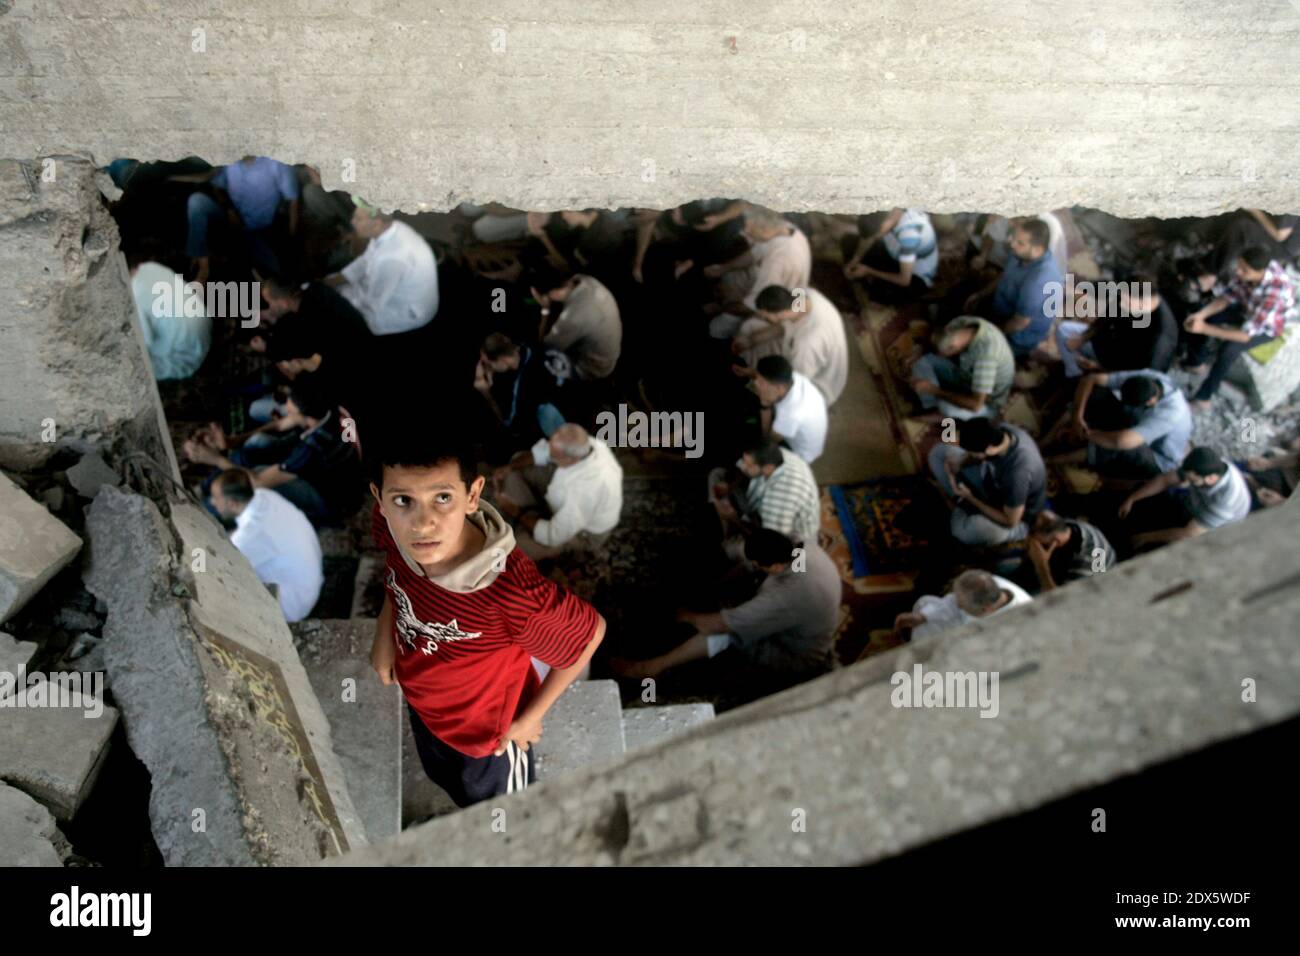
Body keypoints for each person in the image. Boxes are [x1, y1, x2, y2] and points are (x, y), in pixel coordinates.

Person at [367, 424, 606, 807]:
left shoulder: (509, 592)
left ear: (473, 495)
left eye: (442, 497)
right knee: (443, 776)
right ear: (380, 498)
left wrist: (531, 717)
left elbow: (589, 634)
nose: (422, 522)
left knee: (501, 813)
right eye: (403, 501)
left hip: (487, 737)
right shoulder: (394, 528)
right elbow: (397, 576)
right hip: (424, 704)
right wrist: (385, 631)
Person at [611, 529, 840, 680]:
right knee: (731, 590)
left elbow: (720, 625)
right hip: (799, 621)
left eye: (758, 565)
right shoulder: (800, 546)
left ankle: (651, 668)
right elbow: (746, 556)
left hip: (792, 653)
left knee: (728, 633)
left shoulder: (787, 597)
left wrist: (686, 615)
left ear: (774, 567)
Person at [184, 375, 362, 526]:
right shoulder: (325, 408)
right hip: (326, 469)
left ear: (306, 417)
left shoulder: (312, 449)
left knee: (246, 484)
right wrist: (232, 442)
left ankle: (199, 515)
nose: (287, 415)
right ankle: (201, 489)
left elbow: (258, 481)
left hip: (330, 501)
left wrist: (216, 459)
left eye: (291, 412)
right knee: (256, 445)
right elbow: (280, 424)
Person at [1183, 246, 1296, 409]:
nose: (1238, 272)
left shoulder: (1275, 294)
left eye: (1244, 270)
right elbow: (1227, 297)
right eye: (1239, 266)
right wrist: (1201, 316)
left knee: (1229, 350)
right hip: (1247, 308)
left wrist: (1204, 328)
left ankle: (1204, 397)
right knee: (1204, 316)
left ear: (1260, 271)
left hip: (1265, 327)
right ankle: (1195, 363)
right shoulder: (1247, 272)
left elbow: (1245, 335)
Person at [491, 423, 624, 560]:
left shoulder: (585, 492)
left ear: (570, 459)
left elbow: (552, 536)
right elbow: (540, 453)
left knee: (506, 552)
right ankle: (532, 516)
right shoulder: (589, 445)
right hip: (568, 497)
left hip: (582, 533)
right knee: (516, 467)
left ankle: (529, 520)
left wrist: (515, 512)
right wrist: (509, 467)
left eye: (553, 454)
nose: (548, 452)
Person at [209, 468, 323, 623]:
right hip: (308, 581)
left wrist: (199, 558)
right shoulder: (265, 496)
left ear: (232, 504)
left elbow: (217, 569)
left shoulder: (247, 540)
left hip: (294, 605)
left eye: (216, 498)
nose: (212, 502)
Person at [177, 155, 301, 281]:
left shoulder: (277, 163)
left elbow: (293, 201)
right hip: (230, 221)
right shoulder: (230, 159)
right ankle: (203, 267)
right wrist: (229, 208)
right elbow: (217, 186)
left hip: (259, 230)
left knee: (276, 272)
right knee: (197, 201)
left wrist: (292, 240)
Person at [928, 417, 1047, 546]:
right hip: (991, 482)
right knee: (938, 452)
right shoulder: (1002, 430)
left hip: (1014, 516)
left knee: (961, 531)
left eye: (972, 452)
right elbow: (978, 454)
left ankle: (962, 502)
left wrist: (970, 497)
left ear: (989, 449)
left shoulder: (1017, 474)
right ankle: (962, 501)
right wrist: (961, 463)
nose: (968, 454)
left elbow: (1010, 521)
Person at [328, 198, 439, 336]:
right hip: (392, 290)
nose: (352, 222)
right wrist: (339, 278)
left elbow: (372, 303)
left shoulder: (391, 259)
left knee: (338, 309)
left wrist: (336, 294)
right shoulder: (393, 228)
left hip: (409, 313)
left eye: (358, 219)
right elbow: (366, 260)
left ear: (377, 224)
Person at [1054, 369, 1192, 480]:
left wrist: (1086, 434)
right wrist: (1078, 418)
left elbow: (1122, 441)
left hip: (1158, 457)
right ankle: (1056, 434)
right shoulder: (1149, 377)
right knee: (1099, 393)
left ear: (1150, 402)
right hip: (1135, 423)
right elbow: (1091, 379)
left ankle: (1052, 461)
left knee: (1123, 447)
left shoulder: (1171, 413)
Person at [708, 438, 822, 560]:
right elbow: (742, 469)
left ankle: (729, 536)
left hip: (785, 544)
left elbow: (769, 545)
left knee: (731, 550)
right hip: (759, 507)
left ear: (767, 468)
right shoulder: (777, 454)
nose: (743, 466)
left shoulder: (778, 501)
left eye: (748, 465)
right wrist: (730, 486)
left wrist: (735, 519)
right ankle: (726, 529)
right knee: (717, 474)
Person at [1118, 446, 1252, 549]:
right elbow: (1165, 480)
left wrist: (1144, 538)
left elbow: (1190, 533)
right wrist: (1132, 499)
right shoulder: (1208, 467)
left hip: (1209, 529)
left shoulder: (1226, 501)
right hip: (1192, 505)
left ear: (1211, 479)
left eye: (1192, 480)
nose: (1186, 480)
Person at [736, 285, 849, 406]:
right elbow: (784, 324)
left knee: (761, 395)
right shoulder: (801, 294)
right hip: (813, 357)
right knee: (752, 326)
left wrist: (755, 374)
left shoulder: (807, 343)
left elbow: (792, 382)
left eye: (766, 316)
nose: (764, 318)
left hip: (819, 385)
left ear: (778, 315)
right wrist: (753, 340)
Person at [965, 218, 1063, 357]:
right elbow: (1005, 276)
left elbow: (1020, 323)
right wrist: (981, 294)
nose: (1012, 244)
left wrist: (986, 335)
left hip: (1017, 336)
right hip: (1002, 308)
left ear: (1037, 249)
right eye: (1014, 238)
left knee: (974, 352)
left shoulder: (1039, 280)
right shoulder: (1021, 253)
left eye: (1020, 243)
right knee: (961, 296)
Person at [706, 212, 812, 339]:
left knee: (717, 327)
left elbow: (752, 306)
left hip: (783, 311)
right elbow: (756, 252)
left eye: (749, 228)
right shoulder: (785, 229)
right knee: (732, 276)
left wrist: (718, 308)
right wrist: (723, 269)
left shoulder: (776, 263)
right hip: (787, 293)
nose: (745, 231)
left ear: (763, 227)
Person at [1056, 276, 1180, 378]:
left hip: (1122, 370)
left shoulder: (1160, 339)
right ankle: (1075, 375)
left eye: (1126, 303)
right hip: (1107, 345)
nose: (1121, 304)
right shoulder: (1130, 295)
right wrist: (1083, 338)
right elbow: (1106, 315)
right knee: (1064, 330)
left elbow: (1141, 375)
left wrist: (1100, 368)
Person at [909, 315, 1015, 421]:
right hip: (966, 376)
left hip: (987, 402)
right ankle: (931, 406)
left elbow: (975, 405)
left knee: (946, 408)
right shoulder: (960, 323)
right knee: (923, 361)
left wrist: (934, 390)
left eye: (942, 354)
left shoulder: (986, 358)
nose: (939, 355)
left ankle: (941, 410)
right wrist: (919, 352)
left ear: (954, 348)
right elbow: (938, 342)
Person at [531, 269, 623, 389]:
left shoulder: (571, 318)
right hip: (610, 350)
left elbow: (545, 346)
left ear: (552, 294)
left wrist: (545, 309)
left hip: (595, 368)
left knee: (538, 360)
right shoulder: (584, 279)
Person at [894, 569, 1032, 645]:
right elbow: (952, 602)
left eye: (961, 604)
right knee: (926, 606)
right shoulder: (989, 585)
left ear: (986, 609)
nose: (955, 603)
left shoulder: (1015, 628)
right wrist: (923, 616)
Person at [128, 258, 212, 380]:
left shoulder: (136, 298)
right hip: (203, 330)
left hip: (186, 358)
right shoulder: (149, 267)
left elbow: (140, 345)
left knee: (132, 364)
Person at [844, 208, 939, 303]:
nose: (876, 237)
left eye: (877, 235)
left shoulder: (910, 235)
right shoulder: (886, 213)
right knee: (848, 242)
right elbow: (869, 237)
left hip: (915, 277)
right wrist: (855, 259)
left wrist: (869, 271)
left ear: (883, 224)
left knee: (881, 293)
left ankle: (869, 280)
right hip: (897, 256)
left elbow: (904, 280)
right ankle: (866, 277)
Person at [752, 355, 828, 465]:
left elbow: (768, 439)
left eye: (761, 382)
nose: (756, 383)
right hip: (798, 429)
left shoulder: (791, 414)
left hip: (799, 453)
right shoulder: (794, 378)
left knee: (758, 452)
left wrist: (765, 404)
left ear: (779, 388)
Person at [1023, 511, 1117, 593]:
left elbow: (1058, 600)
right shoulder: (1065, 525)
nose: (1033, 546)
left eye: (1038, 544)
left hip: (1095, 585)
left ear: (1056, 542)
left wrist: (1041, 566)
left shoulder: (1085, 562)